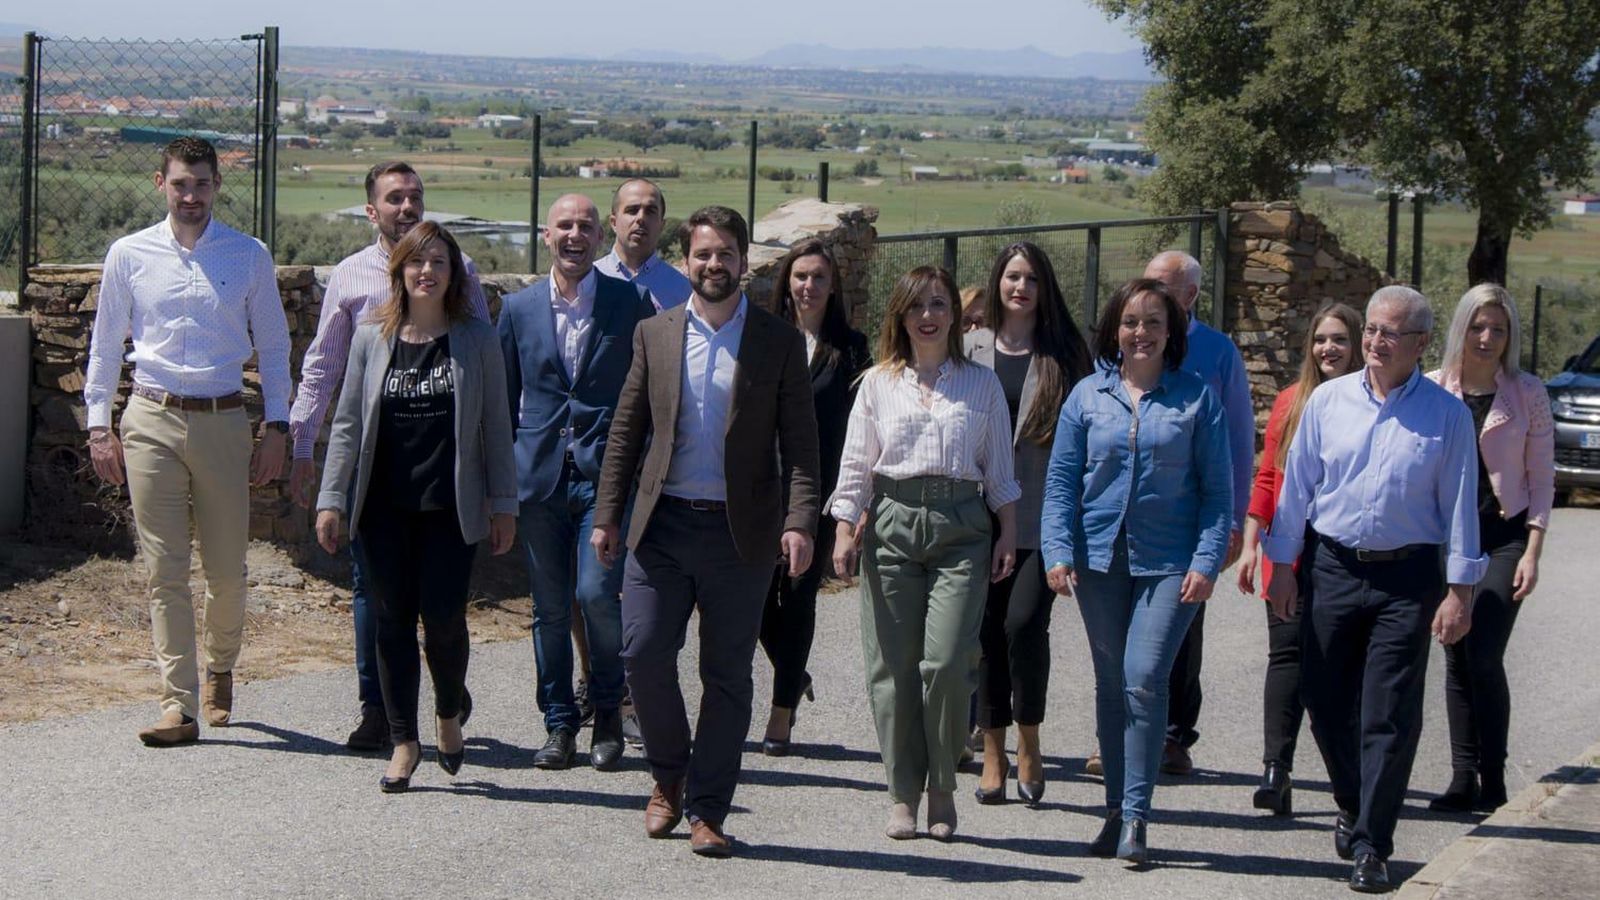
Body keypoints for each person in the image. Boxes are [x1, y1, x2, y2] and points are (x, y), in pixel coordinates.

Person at [591, 206, 820, 858]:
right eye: (702, 254)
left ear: (744, 262)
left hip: (739, 537)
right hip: (661, 526)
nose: (713, 265)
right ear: (686, 261)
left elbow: (801, 447)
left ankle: (708, 809)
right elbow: (626, 433)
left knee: (726, 676)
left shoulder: (777, 342)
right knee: (641, 652)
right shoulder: (655, 335)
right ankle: (669, 773)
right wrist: (609, 515)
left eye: (725, 254)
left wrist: (801, 521)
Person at [1264, 285, 1485, 893]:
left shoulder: (1446, 417)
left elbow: (1461, 504)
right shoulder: (1328, 402)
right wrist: (1282, 565)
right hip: (1331, 566)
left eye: (1391, 333)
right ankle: (1351, 798)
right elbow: (1297, 491)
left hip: (1406, 577)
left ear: (1419, 344)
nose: (1375, 342)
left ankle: (1372, 844)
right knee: (1324, 696)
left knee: (1389, 712)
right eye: (1372, 331)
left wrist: (1460, 589)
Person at [84, 137, 292, 746]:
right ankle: (179, 703)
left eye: (201, 184)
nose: (191, 195)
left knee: (228, 571)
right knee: (164, 571)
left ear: (215, 186)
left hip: (225, 421)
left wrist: (276, 426)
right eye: (180, 184)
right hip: (148, 418)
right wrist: (99, 425)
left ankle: (220, 669)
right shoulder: (129, 254)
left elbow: (275, 349)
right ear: (160, 183)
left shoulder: (248, 255)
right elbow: (103, 346)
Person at [288, 161, 492, 752]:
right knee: (371, 591)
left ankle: (444, 684)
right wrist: (304, 444)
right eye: (394, 198)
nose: (408, 207)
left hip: (440, 471)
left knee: (437, 602)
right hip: (376, 472)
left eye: (416, 197)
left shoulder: (460, 271)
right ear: (371, 210)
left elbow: (479, 363)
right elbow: (325, 368)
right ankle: (378, 707)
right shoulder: (351, 277)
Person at [314, 222, 517, 793]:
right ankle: (405, 740)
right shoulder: (370, 338)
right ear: (399, 270)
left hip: (449, 510)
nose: (426, 272)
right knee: (391, 623)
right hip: (382, 509)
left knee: (446, 621)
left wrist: (504, 504)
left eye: (438, 263)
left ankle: (448, 714)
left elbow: (496, 428)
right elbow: (349, 424)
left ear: (453, 274)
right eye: (415, 262)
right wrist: (332, 498)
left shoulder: (476, 339)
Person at [1041, 278, 1232, 863]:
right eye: (1130, 321)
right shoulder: (1086, 397)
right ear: (1114, 330)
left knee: (1144, 678)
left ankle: (1138, 817)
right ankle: (1114, 812)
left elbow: (1217, 495)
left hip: (1170, 563)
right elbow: (1060, 482)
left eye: (1153, 321)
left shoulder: (1196, 397)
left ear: (1171, 331)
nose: (1141, 332)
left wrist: (1207, 560)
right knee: (1110, 685)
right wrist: (1056, 550)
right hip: (1099, 559)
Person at [831, 265, 1020, 843]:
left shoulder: (981, 383)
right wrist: (843, 528)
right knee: (891, 668)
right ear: (901, 316)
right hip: (891, 524)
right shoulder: (877, 383)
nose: (929, 316)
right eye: (917, 306)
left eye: (940, 304)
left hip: (963, 527)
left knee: (943, 665)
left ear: (956, 317)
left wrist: (1008, 532)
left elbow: (1000, 471)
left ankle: (943, 785)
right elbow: (858, 464)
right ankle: (902, 792)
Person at [498, 194, 656, 771]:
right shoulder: (515, 310)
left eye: (585, 226)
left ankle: (609, 710)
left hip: (604, 481)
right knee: (549, 608)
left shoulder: (630, 302)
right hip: (537, 479)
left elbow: (646, 395)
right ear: (546, 234)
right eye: (564, 225)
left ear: (600, 235)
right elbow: (500, 400)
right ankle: (559, 724)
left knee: (595, 594)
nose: (574, 235)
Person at [964, 242, 1093, 808]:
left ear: (1045, 289)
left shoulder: (1064, 354)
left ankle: (1030, 738)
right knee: (987, 635)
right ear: (997, 282)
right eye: (1012, 277)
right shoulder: (966, 348)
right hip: (976, 516)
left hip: (1043, 518)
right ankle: (992, 749)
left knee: (1022, 627)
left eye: (1031, 279)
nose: (1020, 287)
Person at [1425, 284, 1554, 813]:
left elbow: (1542, 478)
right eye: (1478, 327)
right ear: (1461, 329)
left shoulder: (1527, 393)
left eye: (1498, 329)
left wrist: (1533, 552)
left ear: (1510, 337)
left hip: (1504, 537)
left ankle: (1493, 776)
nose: (1487, 338)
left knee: (1483, 652)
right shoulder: (1432, 389)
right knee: (1456, 655)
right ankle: (1462, 777)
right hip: (1448, 541)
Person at [1235, 302, 1364, 814]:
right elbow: (1268, 478)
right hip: (1287, 548)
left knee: (1334, 667)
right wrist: (1250, 543)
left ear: (1357, 345)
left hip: (1344, 552)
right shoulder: (1292, 401)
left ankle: (1350, 781)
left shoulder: (1370, 405)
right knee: (1286, 653)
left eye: (1339, 339)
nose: (1327, 348)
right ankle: (1276, 770)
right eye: (1320, 339)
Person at [1132, 250, 1253, 778]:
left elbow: (1239, 441)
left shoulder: (1218, 352)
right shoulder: (1127, 340)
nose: (1151, 293)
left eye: (1164, 286)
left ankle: (1175, 735)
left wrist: (1233, 524)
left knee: (1182, 628)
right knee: (1122, 631)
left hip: (1193, 518)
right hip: (1131, 514)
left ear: (1190, 296)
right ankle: (1123, 731)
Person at [757, 238, 871, 756]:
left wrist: (857, 503)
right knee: (757, 602)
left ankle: (781, 714)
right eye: (800, 276)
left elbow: (860, 429)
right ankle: (793, 674)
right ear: (787, 282)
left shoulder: (852, 349)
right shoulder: (759, 337)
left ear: (833, 285)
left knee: (799, 598)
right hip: (760, 490)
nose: (808, 286)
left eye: (819, 277)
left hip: (822, 491)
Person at [596, 177, 693, 309]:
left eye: (650, 211)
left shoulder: (683, 289)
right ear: (613, 222)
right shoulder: (589, 280)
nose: (641, 218)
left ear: (661, 225)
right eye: (632, 210)